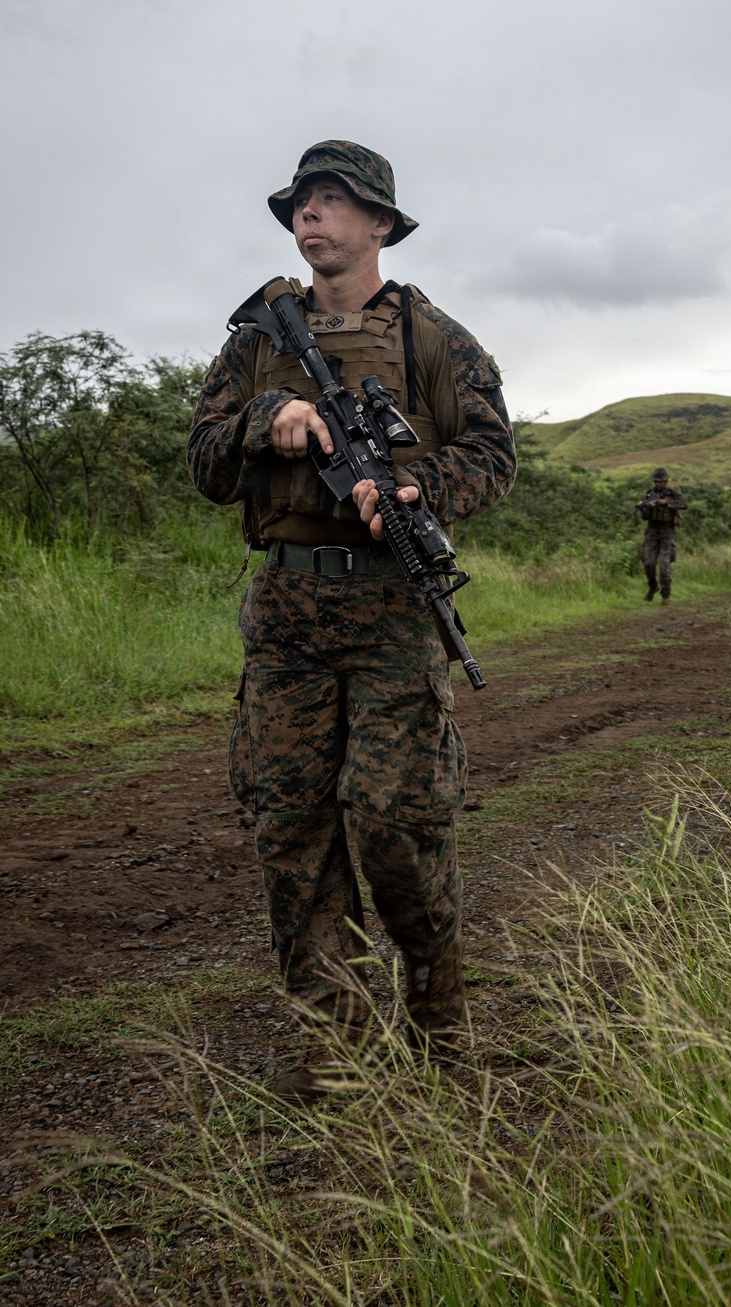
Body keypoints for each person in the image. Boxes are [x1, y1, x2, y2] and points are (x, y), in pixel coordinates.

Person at [187, 140, 516, 1099]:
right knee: (289, 826)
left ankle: (438, 1014)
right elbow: (204, 464)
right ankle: (335, 1045)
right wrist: (269, 418)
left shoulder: (438, 340)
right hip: (285, 605)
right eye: (303, 203)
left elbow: (493, 457)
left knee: (394, 820)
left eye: (335, 203)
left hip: (391, 606)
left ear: (381, 225)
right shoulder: (255, 341)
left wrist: (415, 489)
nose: (312, 217)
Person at [637, 467, 688, 603]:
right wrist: (646, 508)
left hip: (667, 531)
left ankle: (666, 595)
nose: (658, 484)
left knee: (664, 564)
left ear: (666, 481)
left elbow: (684, 504)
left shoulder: (673, 493)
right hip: (652, 531)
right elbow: (645, 517)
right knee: (648, 562)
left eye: (660, 481)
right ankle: (653, 587)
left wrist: (667, 503)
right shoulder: (649, 494)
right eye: (656, 481)